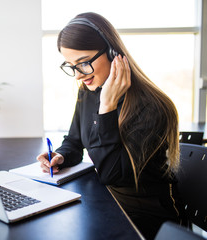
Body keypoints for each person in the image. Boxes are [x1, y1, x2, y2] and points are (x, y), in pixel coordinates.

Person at [37, 12, 186, 239]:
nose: (78, 75)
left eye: (84, 63)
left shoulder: (152, 106)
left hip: (144, 218)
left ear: (112, 53)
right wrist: (61, 156)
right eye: (71, 66)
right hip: (106, 201)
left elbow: (112, 175)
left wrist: (106, 106)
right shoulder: (87, 92)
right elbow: (75, 141)